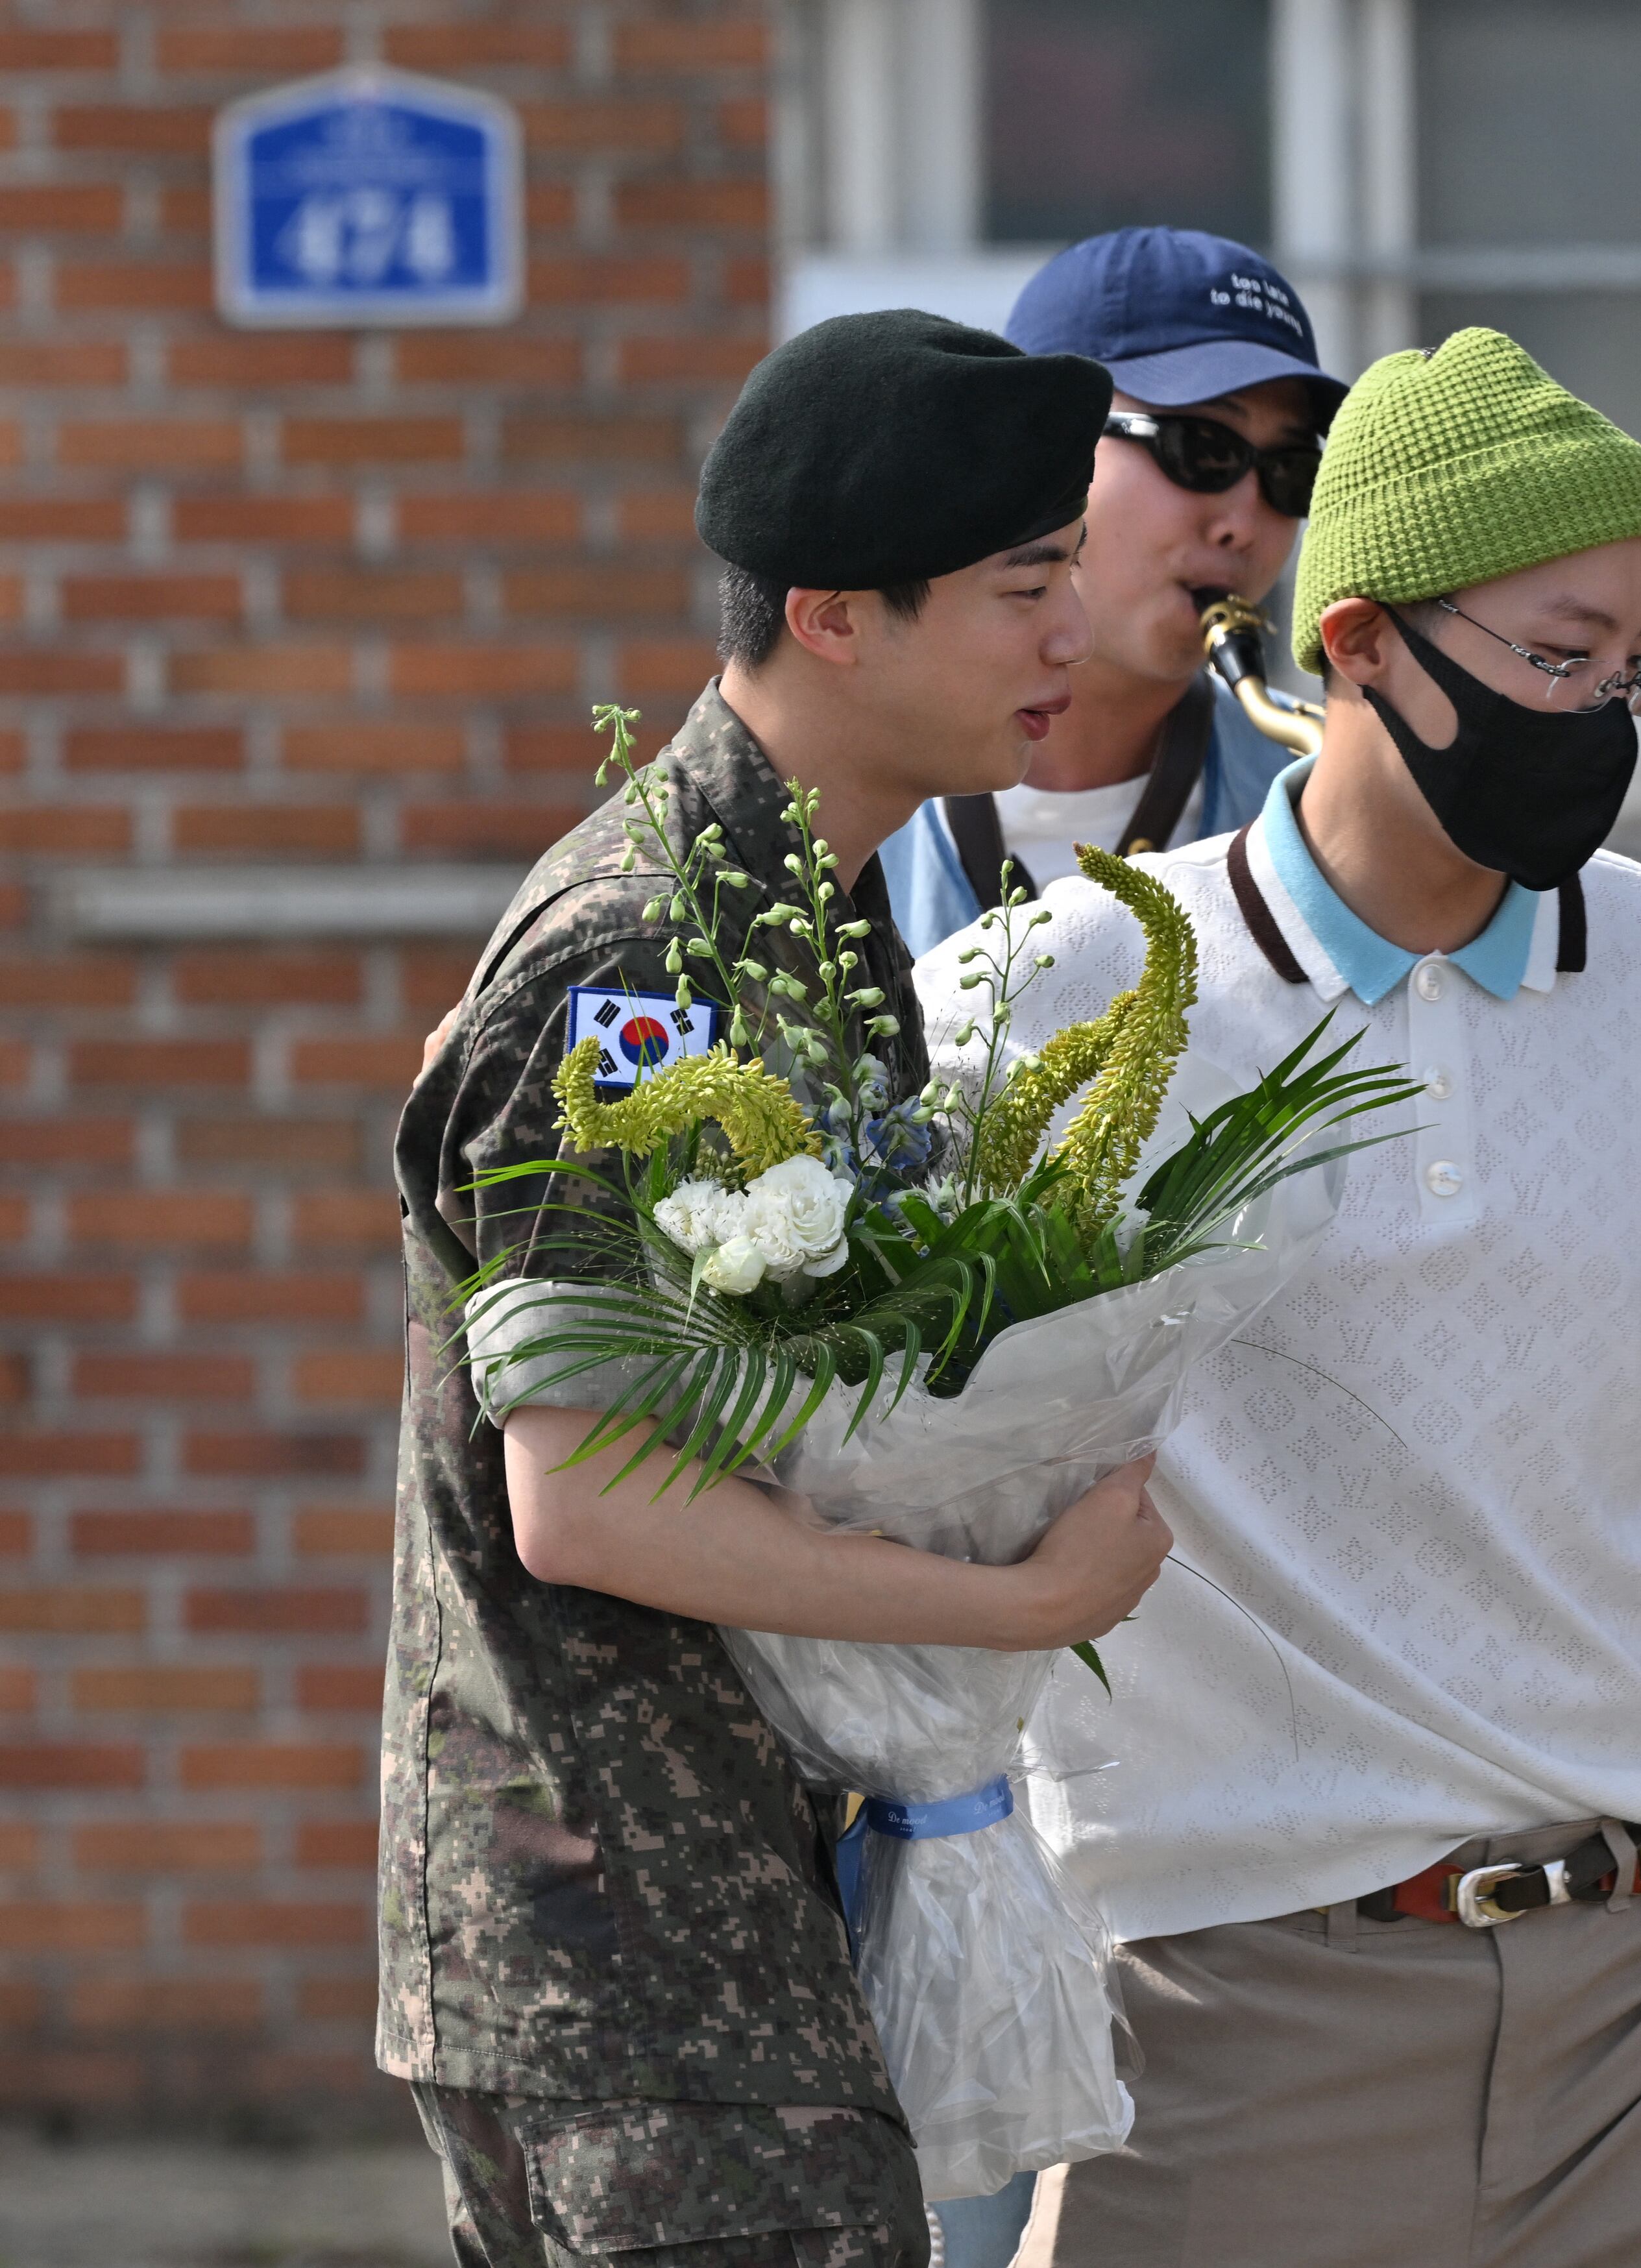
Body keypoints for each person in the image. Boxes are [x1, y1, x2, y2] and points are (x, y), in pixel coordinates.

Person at [925, 326, 1641, 2265]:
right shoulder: (1057, 990)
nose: (1606, 713)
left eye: (1637, 664)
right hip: (1231, 2013)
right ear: (1361, 641)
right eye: (1559, 656)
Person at [382, 311, 1176, 2267]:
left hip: (759, 1939)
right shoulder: (636, 958)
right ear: (835, 618)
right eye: (1024, 588)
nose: (1076, 634)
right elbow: (589, 1498)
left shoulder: (809, 918)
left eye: (1071, 575)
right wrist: (1020, 1603)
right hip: (644, 1964)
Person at [877, 228, 1341, 956]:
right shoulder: (827, 794)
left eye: (1291, 472)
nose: (1245, 523)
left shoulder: (1326, 794)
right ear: (1034, 447)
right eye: (1202, 448)